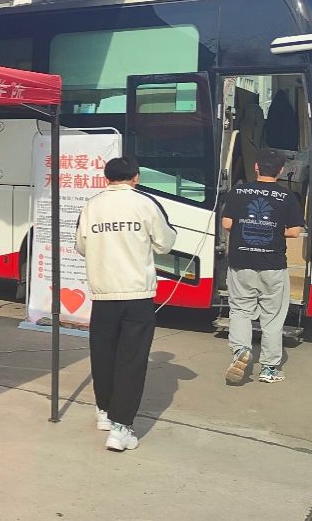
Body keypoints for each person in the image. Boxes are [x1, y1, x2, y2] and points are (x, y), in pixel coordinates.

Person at [74, 156, 176, 452]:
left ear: (107, 178)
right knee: (131, 360)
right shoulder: (145, 203)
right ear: (136, 177)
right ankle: (121, 428)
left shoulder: (92, 205)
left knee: (103, 355)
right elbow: (165, 243)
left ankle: (104, 410)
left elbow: (81, 246)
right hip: (137, 294)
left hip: (103, 294)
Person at [221, 148, 304, 385]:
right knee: (273, 317)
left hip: (241, 262)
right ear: (281, 170)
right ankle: (269, 369)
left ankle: (240, 350)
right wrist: (273, 230)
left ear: (256, 167)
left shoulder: (238, 191)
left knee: (240, 310)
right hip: (273, 264)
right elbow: (294, 231)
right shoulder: (287, 196)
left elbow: (227, 224)